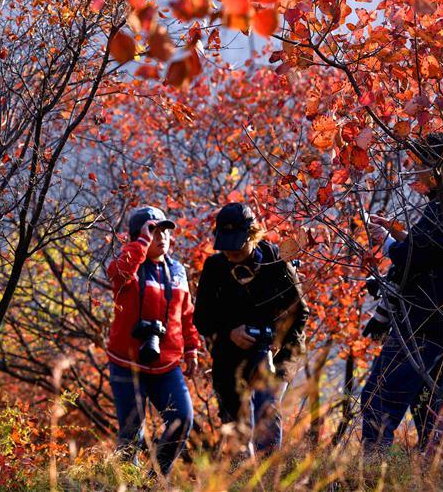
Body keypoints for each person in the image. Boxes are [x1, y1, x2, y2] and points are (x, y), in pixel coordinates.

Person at [360, 134, 443, 453]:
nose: (414, 174)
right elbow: (432, 252)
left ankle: (369, 477)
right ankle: (436, 478)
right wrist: (396, 235)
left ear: (438, 166)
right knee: (431, 415)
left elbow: (415, 257)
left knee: (379, 401)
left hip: (423, 325)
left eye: (418, 167)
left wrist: (388, 243)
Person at [193, 203, 309, 457]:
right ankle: (240, 478)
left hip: (274, 360)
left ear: (253, 235)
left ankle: (267, 480)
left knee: (266, 415)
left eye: (236, 244)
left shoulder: (278, 264)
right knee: (237, 430)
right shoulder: (214, 267)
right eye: (225, 245)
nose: (230, 252)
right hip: (229, 363)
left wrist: (280, 351)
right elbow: (201, 318)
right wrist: (229, 331)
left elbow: (300, 315)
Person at [106, 206, 202, 476]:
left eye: (165, 231)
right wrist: (140, 244)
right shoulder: (130, 266)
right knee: (130, 433)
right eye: (153, 231)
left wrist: (192, 349)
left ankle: (154, 480)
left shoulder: (177, 271)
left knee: (182, 418)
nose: (162, 237)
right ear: (139, 237)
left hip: (166, 364)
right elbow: (117, 273)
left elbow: (186, 314)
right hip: (127, 362)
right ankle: (129, 482)